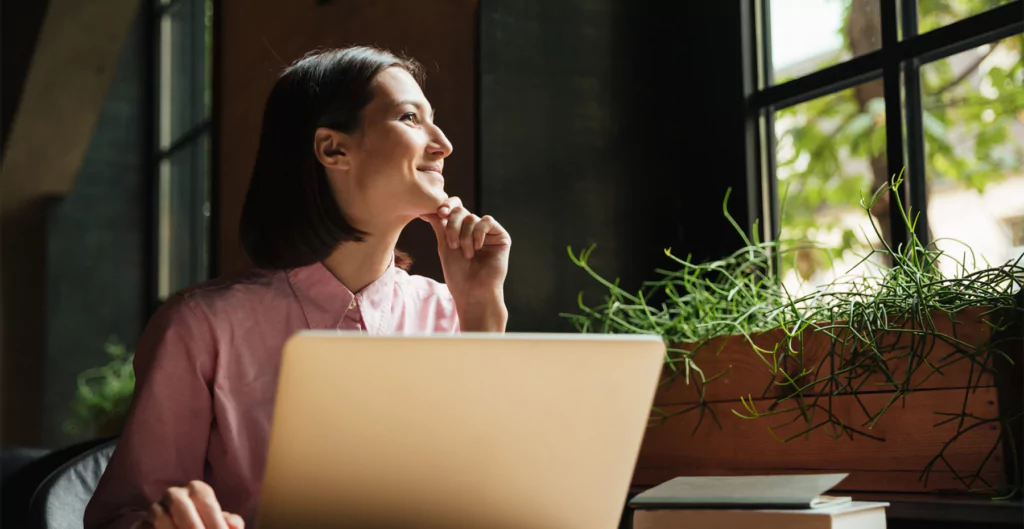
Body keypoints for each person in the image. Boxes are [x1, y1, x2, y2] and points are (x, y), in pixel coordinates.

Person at [83, 46, 510, 529]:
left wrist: (481, 312)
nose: (442, 143)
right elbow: (122, 517)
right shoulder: (204, 327)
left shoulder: (448, 313)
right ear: (333, 148)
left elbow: (492, 497)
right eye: (411, 118)